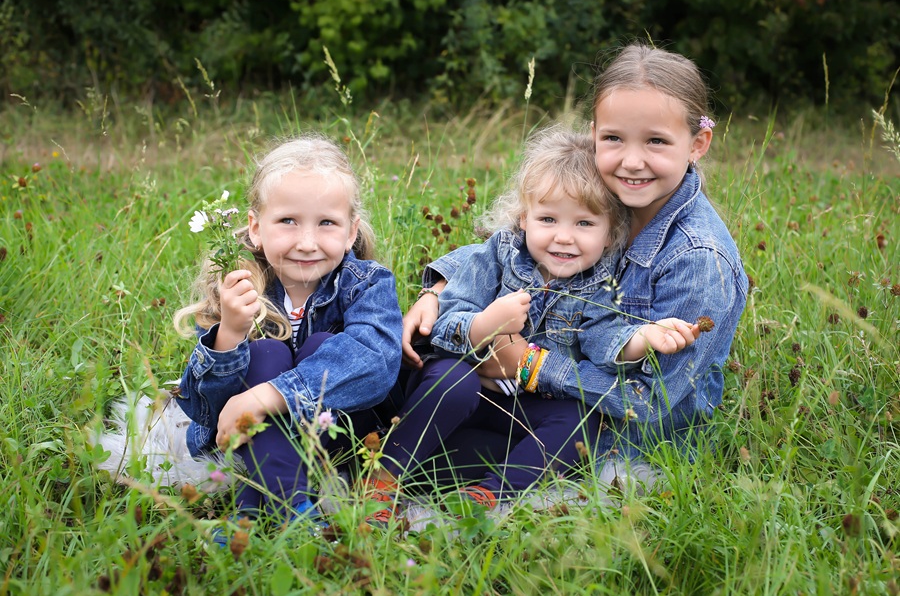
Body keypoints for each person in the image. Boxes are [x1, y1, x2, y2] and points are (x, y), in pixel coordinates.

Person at [402, 43, 749, 493]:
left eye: (657, 141)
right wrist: (437, 289)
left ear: (698, 143)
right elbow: (513, 245)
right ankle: (387, 473)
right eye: (614, 139)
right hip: (533, 408)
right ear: (594, 135)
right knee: (418, 385)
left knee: (457, 452)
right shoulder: (604, 196)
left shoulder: (698, 260)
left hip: (616, 444)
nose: (632, 160)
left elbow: (650, 400)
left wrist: (528, 364)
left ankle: (479, 501)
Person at [367, 128, 699, 518]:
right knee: (453, 383)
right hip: (465, 385)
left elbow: (604, 339)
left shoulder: (601, 284)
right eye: (548, 218)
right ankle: (383, 479)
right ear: (524, 218)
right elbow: (445, 323)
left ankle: (487, 496)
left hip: (525, 407)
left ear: (611, 234)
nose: (564, 237)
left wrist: (643, 338)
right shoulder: (499, 254)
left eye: (584, 224)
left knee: (579, 422)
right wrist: (486, 324)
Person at [172, 135, 403, 537]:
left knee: (322, 349)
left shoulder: (367, 284)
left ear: (351, 232)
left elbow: (376, 361)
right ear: (256, 227)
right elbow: (206, 408)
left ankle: (249, 510)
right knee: (265, 354)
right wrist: (229, 331)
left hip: (338, 437)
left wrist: (266, 396)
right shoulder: (237, 284)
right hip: (239, 437)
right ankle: (295, 508)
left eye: (326, 223)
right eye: (288, 221)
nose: (307, 242)